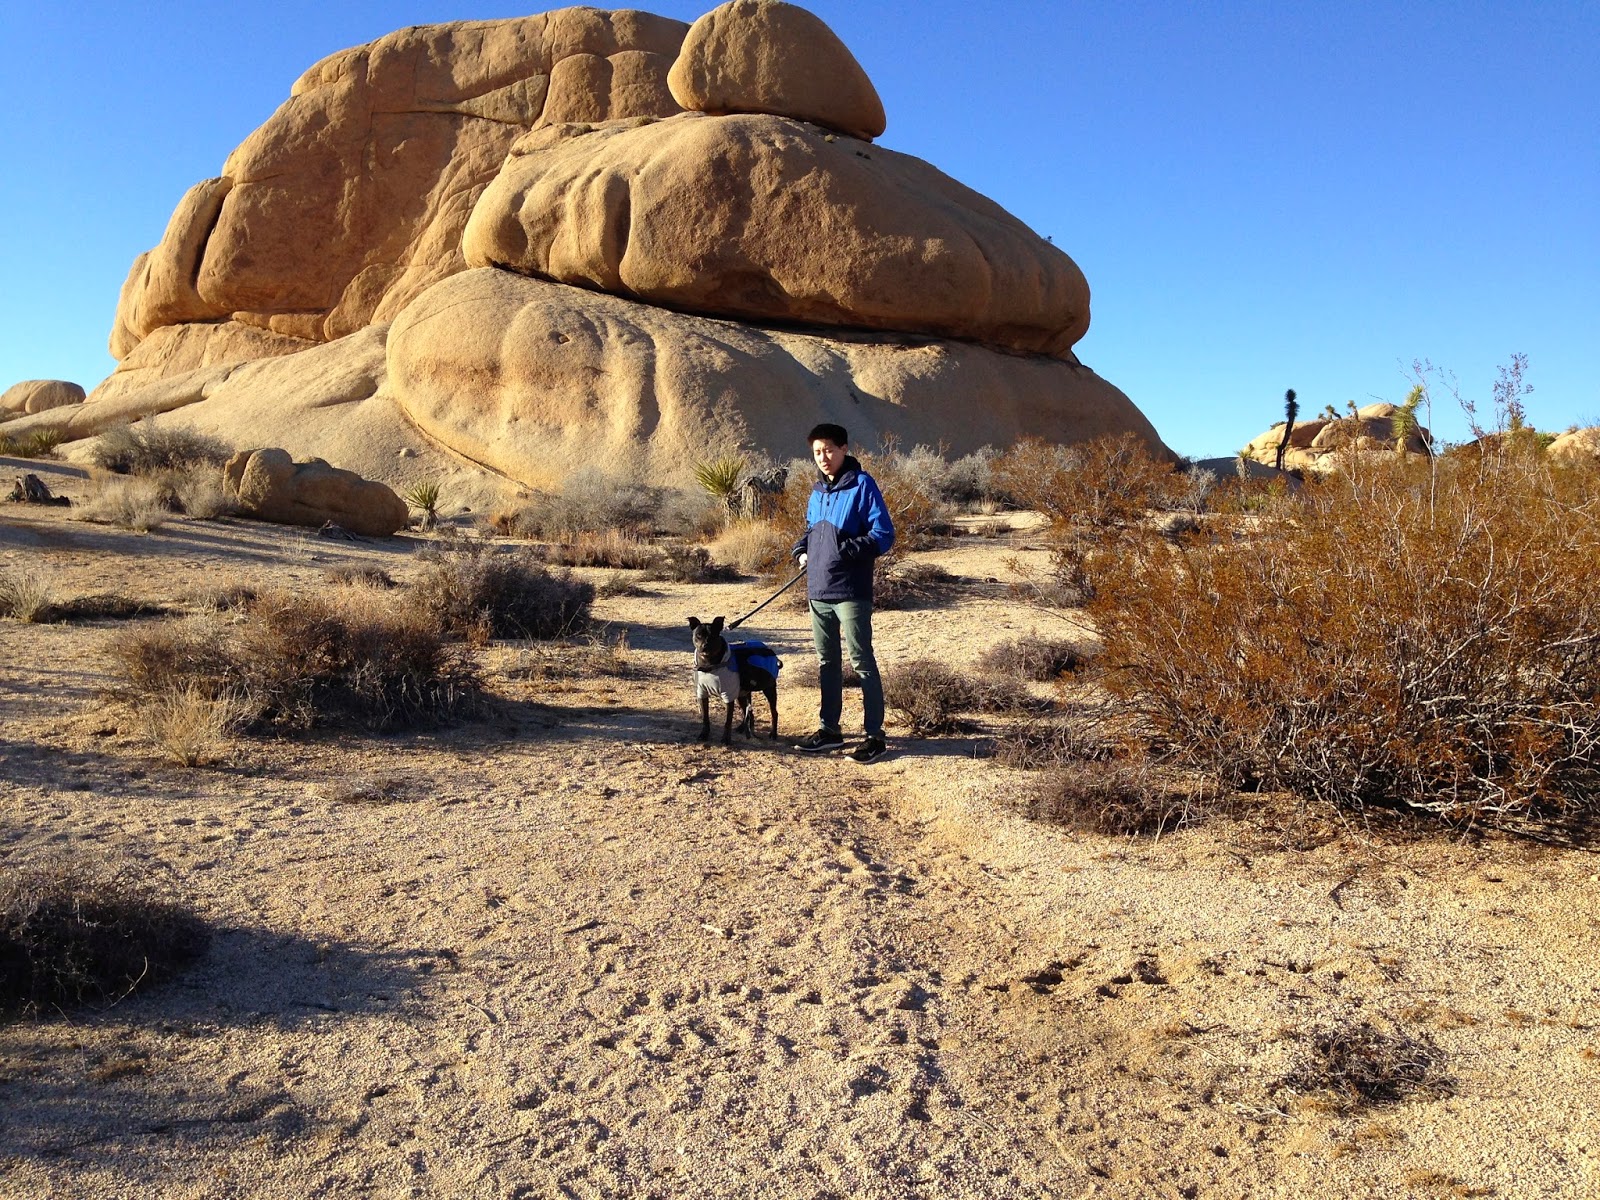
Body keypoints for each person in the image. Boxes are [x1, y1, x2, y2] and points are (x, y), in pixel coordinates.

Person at [791, 423, 895, 762]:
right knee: (827, 662)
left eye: (830, 450)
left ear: (844, 449)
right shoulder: (817, 492)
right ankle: (830, 731)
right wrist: (801, 550)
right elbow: (810, 531)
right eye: (818, 452)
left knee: (862, 661)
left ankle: (874, 736)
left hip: (851, 591)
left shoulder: (862, 485)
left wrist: (847, 550)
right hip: (818, 590)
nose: (824, 457)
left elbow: (883, 534)